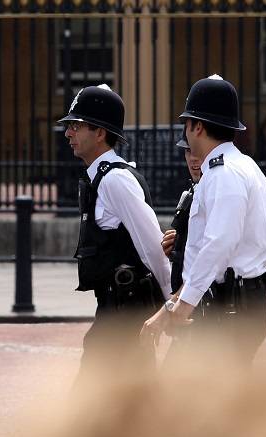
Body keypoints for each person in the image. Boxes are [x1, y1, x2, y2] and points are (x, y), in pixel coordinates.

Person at [141, 75, 266, 369]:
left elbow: (220, 244)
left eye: (187, 123)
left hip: (229, 307)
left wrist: (184, 305)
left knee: (203, 402)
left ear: (197, 126)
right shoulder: (241, 166)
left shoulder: (223, 174)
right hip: (234, 301)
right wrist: (173, 307)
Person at [58, 84, 171, 386]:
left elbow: (153, 247)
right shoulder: (101, 177)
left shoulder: (116, 180)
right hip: (114, 308)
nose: (68, 133)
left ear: (99, 133)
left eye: (76, 126)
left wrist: (171, 305)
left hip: (127, 311)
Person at [162, 137, 203, 293]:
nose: (193, 158)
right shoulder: (193, 189)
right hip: (185, 289)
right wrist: (177, 240)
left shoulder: (216, 190)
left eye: (197, 151)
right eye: (188, 151)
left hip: (204, 297)